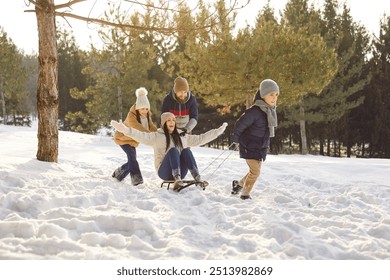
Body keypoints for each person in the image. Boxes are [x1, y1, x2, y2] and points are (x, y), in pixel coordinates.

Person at [111, 112, 227, 191]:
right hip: (164, 171)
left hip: (182, 171)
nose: (172, 122)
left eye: (173, 120)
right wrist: (126, 130)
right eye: (168, 120)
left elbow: (202, 138)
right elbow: (140, 135)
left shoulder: (183, 136)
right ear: (164, 123)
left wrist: (217, 132)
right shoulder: (157, 136)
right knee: (173, 150)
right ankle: (176, 179)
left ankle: (197, 178)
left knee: (186, 151)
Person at [231, 79, 280, 200]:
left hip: (260, 146)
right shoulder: (254, 111)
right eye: (271, 95)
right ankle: (245, 194)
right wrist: (235, 140)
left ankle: (239, 184)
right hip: (249, 145)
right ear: (263, 95)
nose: (274, 98)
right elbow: (239, 125)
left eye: (276, 95)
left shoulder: (270, 111)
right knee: (255, 172)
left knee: (253, 171)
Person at [112, 87, 157, 185]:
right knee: (132, 158)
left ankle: (118, 173)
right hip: (123, 138)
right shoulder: (131, 116)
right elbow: (137, 127)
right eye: (142, 109)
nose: (145, 111)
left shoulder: (147, 115)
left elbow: (151, 126)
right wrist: (149, 135)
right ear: (137, 107)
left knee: (131, 161)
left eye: (146, 109)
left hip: (133, 141)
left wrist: (157, 133)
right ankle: (137, 179)